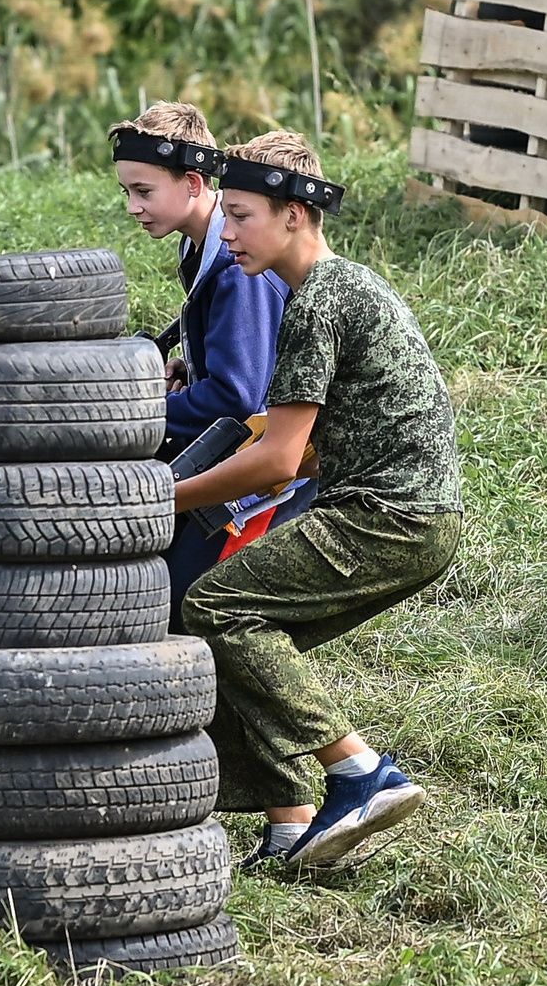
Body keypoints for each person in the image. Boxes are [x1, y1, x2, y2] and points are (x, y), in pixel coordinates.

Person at [174, 132, 464, 871]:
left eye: (240, 215)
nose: (228, 232)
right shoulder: (342, 287)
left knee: (216, 608)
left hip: (386, 516)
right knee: (243, 647)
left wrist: (165, 499)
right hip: (416, 516)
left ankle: (361, 772)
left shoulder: (317, 302)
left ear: (296, 214)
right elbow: (292, 451)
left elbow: (276, 458)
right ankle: (292, 823)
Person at [110, 103, 290, 614]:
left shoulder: (235, 265)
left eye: (144, 191)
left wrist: (140, 414)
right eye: (127, 191)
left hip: (264, 473)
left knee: (177, 604)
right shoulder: (203, 247)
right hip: (228, 445)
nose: (132, 206)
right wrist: (194, 363)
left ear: (193, 183)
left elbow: (239, 395)